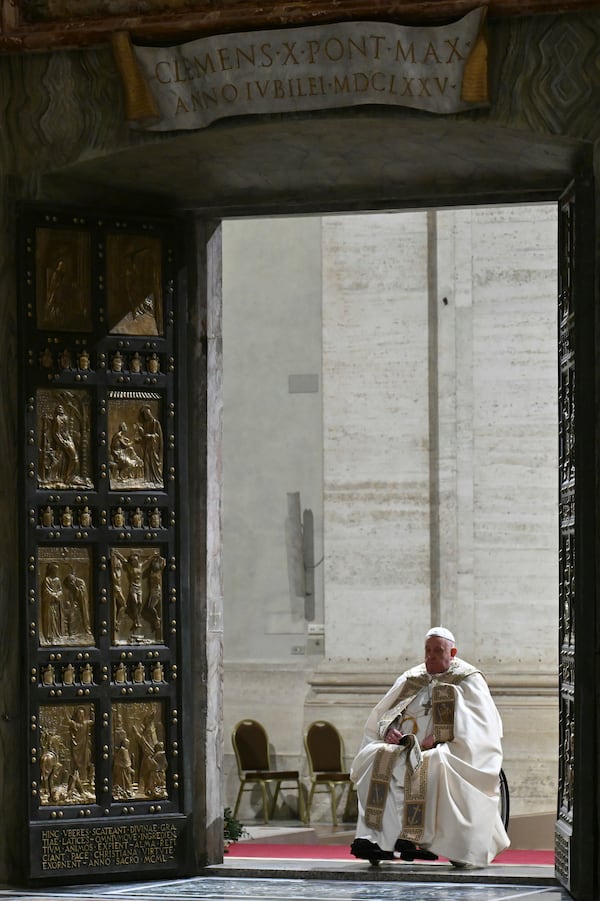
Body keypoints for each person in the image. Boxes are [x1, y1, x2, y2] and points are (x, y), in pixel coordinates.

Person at [350, 627, 510, 868]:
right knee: (376, 756)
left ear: (452, 652)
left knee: (433, 763)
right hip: (404, 747)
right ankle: (376, 840)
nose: (431, 656)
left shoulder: (468, 679)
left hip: (449, 748)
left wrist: (440, 736)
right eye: (428, 651)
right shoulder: (412, 677)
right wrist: (388, 730)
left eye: (438, 651)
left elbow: (482, 726)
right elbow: (385, 713)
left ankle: (415, 839)